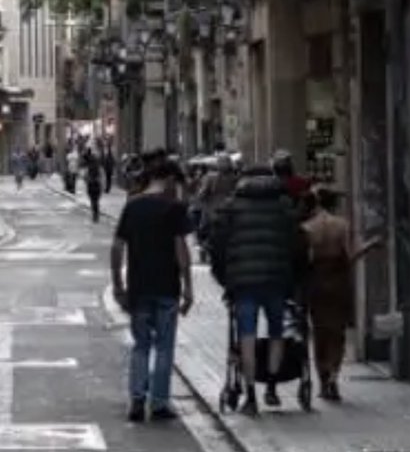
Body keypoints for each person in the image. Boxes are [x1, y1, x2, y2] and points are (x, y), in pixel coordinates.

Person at [210, 166, 300, 417]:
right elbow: (297, 245)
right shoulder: (283, 206)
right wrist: (294, 279)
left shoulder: (232, 207)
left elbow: (217, 245)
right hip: (277, 280)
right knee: (277, 332)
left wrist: (224, 278)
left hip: (243, 283)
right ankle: (271, 385)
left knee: (246, 335)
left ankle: (250, 394)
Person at [111, 160, 193, 424]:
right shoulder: (174, 209)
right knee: (164, 347)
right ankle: (159, 403)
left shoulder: (132, 206)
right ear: (168, 179)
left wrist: (118, 285)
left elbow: (117, 247)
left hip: (139, 287)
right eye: (176, 183)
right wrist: (189, 287)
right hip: (167, 287)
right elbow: (181, 250)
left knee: (141, 345)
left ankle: (137, 399)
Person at [302, 187, 381, 402]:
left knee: (319, 333)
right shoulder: (342, 226)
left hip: (316, 283)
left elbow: (304, 261)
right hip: (338, 283)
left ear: (317, 203)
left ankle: (322, 378)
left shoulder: (308, 228)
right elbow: (351, 254)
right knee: (337, 332)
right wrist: (370, 245)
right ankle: (334, 377)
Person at [84, 147, 103, 223]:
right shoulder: (97, 167)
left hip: (92, 184)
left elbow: (85, 177)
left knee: (93, 200)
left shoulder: (89, 168)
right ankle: (96, 214)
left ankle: (95, 215)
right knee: (96, 200)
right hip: (96, 184)